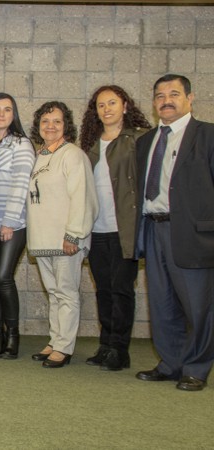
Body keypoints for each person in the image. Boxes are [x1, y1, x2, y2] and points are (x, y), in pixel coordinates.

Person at [134, 74, 214, 391]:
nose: (166, 100)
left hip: (193, 234)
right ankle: (170, 363)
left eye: (174, 94)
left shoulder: (207, 136)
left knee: (198, 307)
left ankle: (196, 366)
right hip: (154, 230)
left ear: (190, 98)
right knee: (162, 303)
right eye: (160, 95)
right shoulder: (145, 142)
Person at [79, 85, 151, 371]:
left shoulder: (140, 139)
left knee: (122, 289)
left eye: (112, 103)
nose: (106, 109)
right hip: (96, 229)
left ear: (125, 106)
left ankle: (120, 350)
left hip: (125, 228)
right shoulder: (91, 144)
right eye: (100, 105)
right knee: (103, 289)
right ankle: (106, 344)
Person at [27, 101, 98, 368]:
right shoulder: (40, 155)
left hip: (66, 239)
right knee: (54, 293)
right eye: (45, 122)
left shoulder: (73, 155)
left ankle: (64, 347)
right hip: (43, 238)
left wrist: (74, 234)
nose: (50, 126)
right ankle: (56, 340)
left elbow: (83, 197)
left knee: (66, 293)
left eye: (56, 121)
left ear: (66, 125)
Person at [0, 93, 35, 359]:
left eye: (7, 109)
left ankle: (13, 337)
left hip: (13, 223)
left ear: (13, 115)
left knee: (3, 276)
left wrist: (9, 221)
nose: (1, 114)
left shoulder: (21, 144)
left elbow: (21, 183)